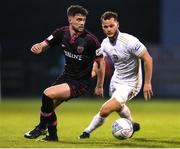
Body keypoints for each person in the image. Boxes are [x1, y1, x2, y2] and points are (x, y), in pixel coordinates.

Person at [24, 5, 105, 142]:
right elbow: (45, 43)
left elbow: (101, 63)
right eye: (78, 19)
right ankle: (52, 136)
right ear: (70, 19)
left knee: (47, 94)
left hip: (80, 83)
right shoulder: (61, 33)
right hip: (66, 77)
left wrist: (99, 86)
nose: (82, 23)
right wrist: (38, 47)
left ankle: (40, 128)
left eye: (83, 20)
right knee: (46, 108)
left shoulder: (90, 40)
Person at [79, 11, 153, 139]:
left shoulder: (130, 41)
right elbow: (99, 63)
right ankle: (132, 125)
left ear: (117, 24)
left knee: (105, 109)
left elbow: (148, 59)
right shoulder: (105, 43)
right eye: (105, 27)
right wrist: (90, 74)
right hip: (116, 81)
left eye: (111, 26)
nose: (108, 29)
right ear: (102, 27)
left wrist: (147, 83)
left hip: (131, 83)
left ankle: (87, 131)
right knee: (119, 107)